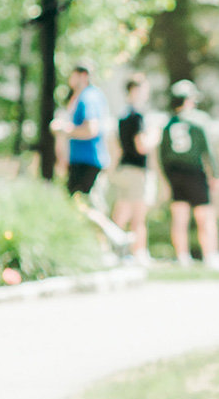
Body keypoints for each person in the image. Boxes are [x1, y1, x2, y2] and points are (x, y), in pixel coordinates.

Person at [158, 80, 219, 269]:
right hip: (195, 172)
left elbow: (162, 155)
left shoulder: (169, 123)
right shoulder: (199, 120)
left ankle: (182, 257)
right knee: (205, 216)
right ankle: (210, 255)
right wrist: (216, 174)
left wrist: (167, 179)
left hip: (175, 174)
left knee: (180, 219)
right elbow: (209, 150)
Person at [108, 77, 155, 262]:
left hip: (123, 168)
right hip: (137, 170)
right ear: (136, 90)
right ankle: (139, 252)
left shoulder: (122, 114)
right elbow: (141, 145)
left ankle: (112, 251)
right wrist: (154, 137)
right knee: (138, 215)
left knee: (121, 212)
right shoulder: (138, 116)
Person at [62, 65, 108, 201]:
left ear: (83, 76)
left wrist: (64, 129)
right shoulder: (86, 96)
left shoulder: (88, 97)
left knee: (86, 208)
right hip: (82, 160)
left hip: (88, 162)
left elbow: (91, 129)